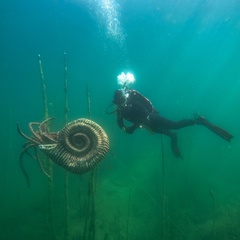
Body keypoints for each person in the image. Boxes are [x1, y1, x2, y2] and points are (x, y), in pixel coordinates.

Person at [111, 88, 233, 158]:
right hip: (147, 125)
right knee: (166, 132)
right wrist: (125, 129)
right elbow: (120, 124)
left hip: (152, 118)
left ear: (124, 97)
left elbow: (144, 115)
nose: (120, 103)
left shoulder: (133, 102)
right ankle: (173, 136)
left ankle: (199, 121)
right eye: (118, 102)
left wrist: (132, 127)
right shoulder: (120, 111)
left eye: (121, 100)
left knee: (176, 125)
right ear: (115, 102)